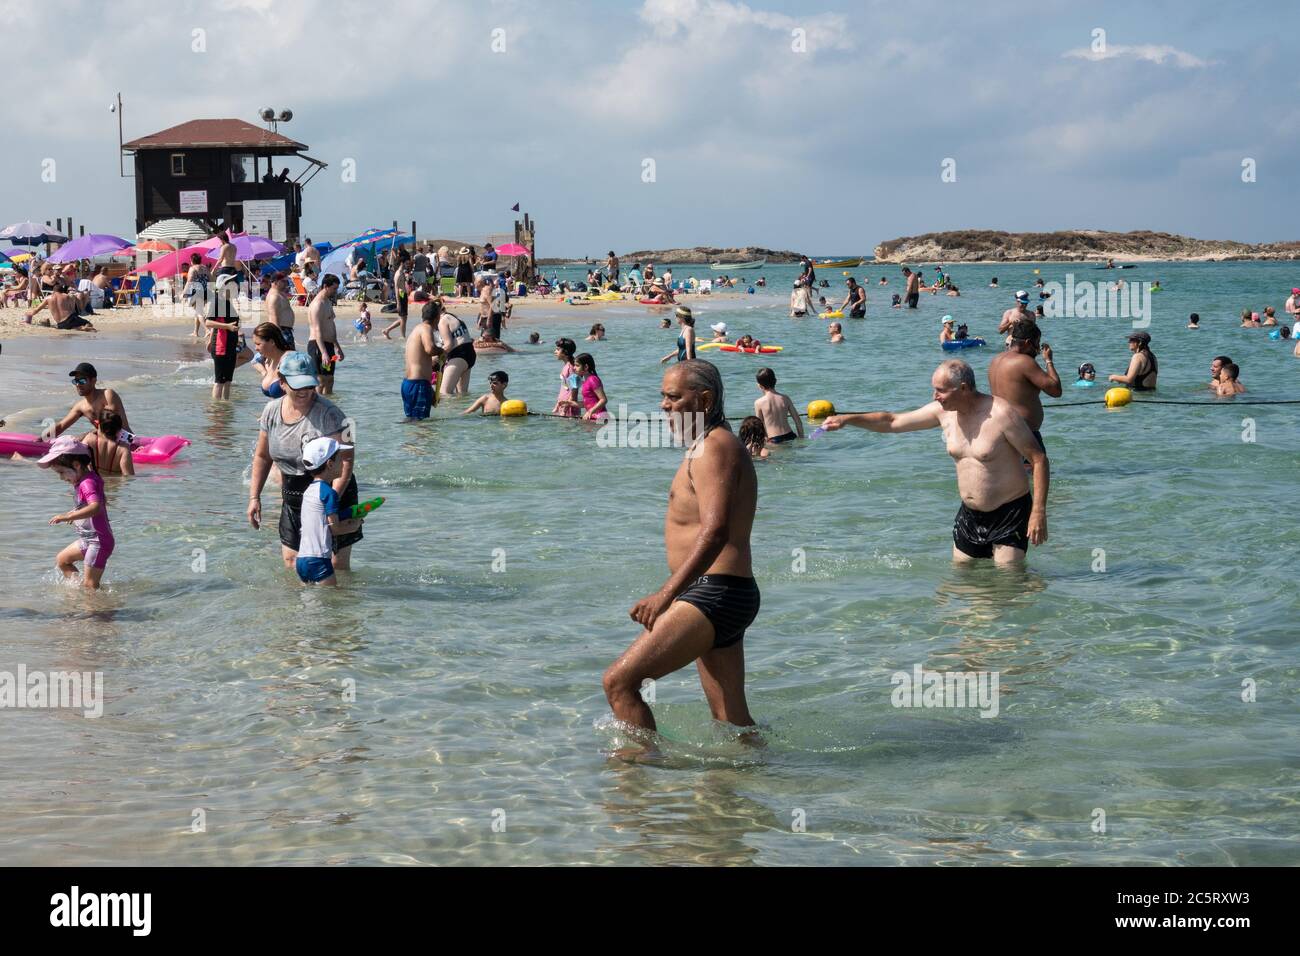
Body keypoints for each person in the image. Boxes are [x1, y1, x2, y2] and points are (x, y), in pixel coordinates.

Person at [602, 360, 759, 735]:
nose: (664, 405)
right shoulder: (706, 445)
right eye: (663, 397)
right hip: (722, 594)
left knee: (619, 683)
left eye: (674, 397)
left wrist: (665, 595)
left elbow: (716, 529)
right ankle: (752, 784)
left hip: (715, 594)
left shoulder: (714, 448)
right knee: (731, 722)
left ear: (703, 400)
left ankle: (639, 780)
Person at [822, 360, 1049, 563]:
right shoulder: (944, 413)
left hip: (1010, 512)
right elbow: (892, 421)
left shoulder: (1001, 414)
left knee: (1007, 580)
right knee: (960, 577)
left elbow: (1038, 460)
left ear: (963, 388)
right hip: (970, 514)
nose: (935, 396)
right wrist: (848, 419)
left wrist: (1038, 512)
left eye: (940, 391)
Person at [248, 352, 364, 571]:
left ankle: (339, 604)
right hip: (293, 493)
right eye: (297, 386)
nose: (305, 392)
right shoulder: (270, 412)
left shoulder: (333, 415)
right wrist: (255, 497)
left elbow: (346, 462)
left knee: (334, 565)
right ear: (282, 382)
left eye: (309, 385)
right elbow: (263, 456)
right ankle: (299, 606)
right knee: (292, 562)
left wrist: (328, 503)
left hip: (332, 491)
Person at [38, 435, 115, 589]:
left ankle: (97, 610)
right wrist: (77, 512)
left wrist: (68, 516)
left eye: (62, 472)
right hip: (88, 540)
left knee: (90, 585)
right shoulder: (84, 480)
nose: (61, 478)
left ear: (77, 465)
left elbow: (96, 507)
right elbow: (93, 504)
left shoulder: (87, 483)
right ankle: (78, 592)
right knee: (63, 560)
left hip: (97, 541)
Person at [988, 319, 1060, 452]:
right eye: (1037, 343)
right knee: (1036, 470)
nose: (1037, 349)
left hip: (999, 431)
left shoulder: (996, 360)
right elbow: (1055, 390)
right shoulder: (1024, 362)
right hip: (1023, 434)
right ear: (1027, 343)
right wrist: (1048, 360)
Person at [293, 436, 355, 587]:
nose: (343, 462)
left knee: (310, 605)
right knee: (332, 604)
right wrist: (354, 526)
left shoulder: (309, 491)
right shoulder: (329, 493)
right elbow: (335, 529)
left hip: (301, 560)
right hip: (319, 560)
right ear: (330, 464)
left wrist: (346, 515)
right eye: (340, 459)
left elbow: (320, 519)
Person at [48, 363, 131, 440]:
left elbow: (110, 424)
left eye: (82, 381)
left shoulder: (107, 395)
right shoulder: (81, 406)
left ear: (93, 381)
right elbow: (62, 425)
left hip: (125, 440)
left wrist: (84, 436)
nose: (78, 384)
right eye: (76, 381)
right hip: (104, 443)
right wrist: (44, 437)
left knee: (88, 439)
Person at [403, 303, 445, 419]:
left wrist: (431, 391)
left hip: (409, 384)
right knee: (422, 425)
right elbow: (430, 348)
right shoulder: (426, 329)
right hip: (419, 385)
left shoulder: (416, 330)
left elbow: (420, 360)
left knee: (413, 422)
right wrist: (442, 352)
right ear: (437, 318)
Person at [206, 273, 242, 400]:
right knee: (219, 381)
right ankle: (216, 410)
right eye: (230, 283)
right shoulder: (217, 302)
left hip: (230, 345)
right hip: (221, 346)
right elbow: (208, 322)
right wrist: (228, 327)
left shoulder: (228, 302)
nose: (234, 285)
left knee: (228, 381)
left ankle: (225, 409)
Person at [308, 274, 344, 395]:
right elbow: (317, 330)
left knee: (330, 380)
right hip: (318, 345)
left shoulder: (327, 302)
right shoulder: (317, 304)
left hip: (329, 345)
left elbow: (330, 325)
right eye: (334, 288)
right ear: (325, 286)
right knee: (321, 380)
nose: (335, 291)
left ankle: (328, 407)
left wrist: (338, 347)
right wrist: (323, 353)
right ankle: (316, 407)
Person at [754, 367, 804, 444]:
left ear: (760, 386)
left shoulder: (759, 403)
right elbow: (798, 422)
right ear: (775, 381)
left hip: (773, 439)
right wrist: (801, 439)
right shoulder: (785, 398)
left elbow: (759, 428)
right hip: (790, 436)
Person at [24, 279, 95, 331]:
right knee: (88, 323)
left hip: (61, 325)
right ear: (61, 291)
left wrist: (28, 314)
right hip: (70, 319)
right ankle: (82, 328)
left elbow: (36, 310)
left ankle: (79, 328)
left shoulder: (47, 298)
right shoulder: (66, 296)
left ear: (54, 291)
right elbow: (72, 308)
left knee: (69, 327)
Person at [80, 410, 134, 476]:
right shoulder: (123, 448)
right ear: (119, 428)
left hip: (95, 482)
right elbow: (128, 476)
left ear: (98, 425)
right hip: (114, 483)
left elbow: (80, 465)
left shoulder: (89, 439)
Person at [252, 322, 291, 398]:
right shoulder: (268, 361)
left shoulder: (289, 359)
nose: (255, 348)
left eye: (258, 344)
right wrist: (263, 372)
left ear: (272, 342)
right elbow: (254, 361)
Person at [569, 353, 608, 421]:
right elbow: (588, 404)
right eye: (574, 365)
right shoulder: (585, 381)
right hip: (592, 418)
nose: (574, 368)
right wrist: (570, 403)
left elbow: (603, 400)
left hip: (600, 417)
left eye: (577, 365)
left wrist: (590, 411)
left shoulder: (593, 379)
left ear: (586, 367)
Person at [264, 271, 297, 350]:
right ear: (275, 282)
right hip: (282, 331)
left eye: (286, 281)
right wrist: (279, 338)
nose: (286, 283)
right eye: (283, 281)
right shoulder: (274, 297)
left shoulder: (279, 294)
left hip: (285, 330)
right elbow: (273, 319)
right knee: (286, 359)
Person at [382, 250, 411, 339]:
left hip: (404, 296)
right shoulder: (398, 274)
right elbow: (396, 288)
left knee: (404, 318)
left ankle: (387, 330)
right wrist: (398, 303)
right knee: (403, 318)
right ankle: (403, 337)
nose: (408, 265)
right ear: (402, 263)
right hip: (401, 297)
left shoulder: (402, 272)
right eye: (406, 263)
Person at [552, 337, 580, 417]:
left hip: (568, 407)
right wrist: (557, 405)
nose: (555, 352)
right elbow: (564, 388)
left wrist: (565, 409)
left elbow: (574, 390)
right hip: (564, 404)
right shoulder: (566, 366)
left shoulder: (571, 367)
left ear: (565, 352)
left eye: (557, 350)